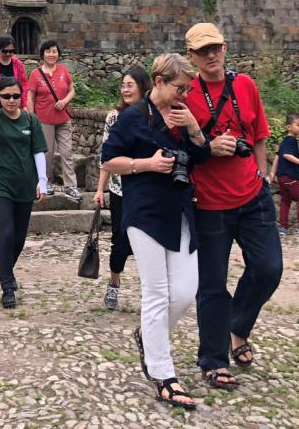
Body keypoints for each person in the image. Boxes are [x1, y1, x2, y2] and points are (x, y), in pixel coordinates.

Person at [101, 53, 210, 411]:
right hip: (144, 212)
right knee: (157, 292)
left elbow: (202, 157)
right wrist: (146, 164)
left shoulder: (182, 115)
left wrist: (194, 128)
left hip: (180, 210)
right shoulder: (133, 117)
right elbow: (108, 159)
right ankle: (163, 375)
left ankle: (147, 335)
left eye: (188, 89)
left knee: (185, 291)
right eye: (180, 88)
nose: (185, 95)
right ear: (159, 82)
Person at [182, 22, 282, 392]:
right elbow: (179, 148)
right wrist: (208, 148)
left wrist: (262, 175)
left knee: (269, 268)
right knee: (212, 284)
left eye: (216, 48)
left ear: (225, 48)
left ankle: (237, 327)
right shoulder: (186, 93)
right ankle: (213, 360)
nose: (211, 55)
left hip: (252, 196)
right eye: (203, 50)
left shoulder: (245, 86)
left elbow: (259, 136)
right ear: (191, 56)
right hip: (209, 203)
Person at [0, 77, 48, 308]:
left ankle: (7, 269)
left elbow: (38, 151)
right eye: (6, 96)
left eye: (15, 96)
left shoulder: (30, 120)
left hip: (25, 183)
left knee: (19, 237)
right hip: (1, 183)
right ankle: (6, 286)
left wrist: (42, 181)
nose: (11, 100)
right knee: (6, 232)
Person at [94, 66, 152, 310]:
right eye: (123, 85)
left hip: (148, 189)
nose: (125, 89)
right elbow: (107, 156)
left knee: (149, 242)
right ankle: (114, 282)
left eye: (130, 85)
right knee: (119, 240)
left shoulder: (153, 115)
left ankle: (151, 293)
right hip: (120, 189)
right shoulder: (114, 117)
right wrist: (100, 189)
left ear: (142, 86)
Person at [25, 40, 79, 200]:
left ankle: (71, 186)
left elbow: (72, 91)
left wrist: (65, 100)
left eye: (54, 51)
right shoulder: (35, 74)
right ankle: (45, 183)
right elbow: (30, 97)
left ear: (58, 54)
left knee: (67, 153)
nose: (51, 54)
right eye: (48, 51)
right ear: (42, 54)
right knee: (46, 153)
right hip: (44, 119)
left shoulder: (63, 70)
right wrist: (31, 117)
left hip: (63, 119)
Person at [0, 36, 27, 106]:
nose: (8, 54)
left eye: (11, 51)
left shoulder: (18, 64)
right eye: (5, 51)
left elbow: (24, 85)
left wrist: (24, 104)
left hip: (13, 102)